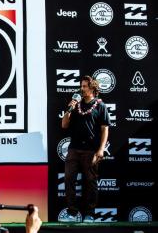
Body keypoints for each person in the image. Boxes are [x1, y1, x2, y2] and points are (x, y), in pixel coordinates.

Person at [60, 75, 111, 223]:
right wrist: (70, 109)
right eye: (81, 86)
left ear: (93, 88)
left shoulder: (100, 106)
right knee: (69, 179)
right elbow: (64, 125)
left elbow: (105, 129)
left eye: (85, 86)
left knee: (90, 181)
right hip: (74, 149)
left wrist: (101, 149)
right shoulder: (77, 104)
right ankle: (71, 213)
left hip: (91, 150)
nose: (82, 89)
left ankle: (90, 214)